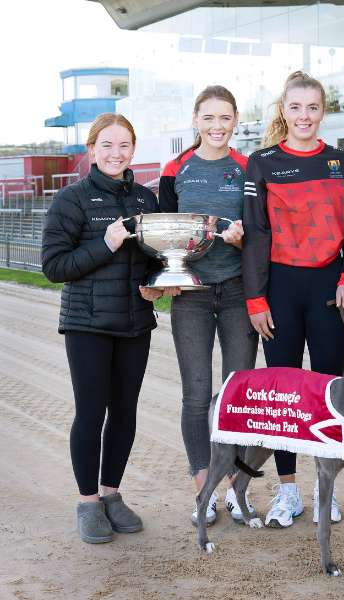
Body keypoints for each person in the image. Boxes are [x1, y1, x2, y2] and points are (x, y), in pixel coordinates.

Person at [42, 113, 178, 544]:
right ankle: (87, 503)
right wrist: (106, 244)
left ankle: (112, 494)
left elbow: (155, 260)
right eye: (106, 145)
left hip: (135, 323)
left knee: (124, 413)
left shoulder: (145, 200)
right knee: (91, 412)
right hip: (87, 325)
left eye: (123, 145)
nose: (115, 153)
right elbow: (54, 266)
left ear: (133, 150)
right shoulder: (72, 199)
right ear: (92, 149)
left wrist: (159, 284)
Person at [242, 71, 344, 528]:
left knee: (330, 393)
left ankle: (325, 491)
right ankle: (289, 491)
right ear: (283, 110)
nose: (304, 116)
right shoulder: (263, 163)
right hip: (280, 288)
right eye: (295, 107)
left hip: (331, 290)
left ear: (323, 111)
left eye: (312, 107)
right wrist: (256, 299)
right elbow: (255, 235)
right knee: (285, 396)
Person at [159, 86, 258, 526]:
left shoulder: (247, 167)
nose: (217, 126)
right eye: (208, 118)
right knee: (197, 395)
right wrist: (167, 275)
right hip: (192, 295)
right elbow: (160, 233)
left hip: (237, 291)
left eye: (225, 118)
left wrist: (244, 237)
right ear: (195, 119)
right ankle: (204, 485)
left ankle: (238, 486)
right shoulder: (174, 169)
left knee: (236, 395)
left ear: (236, 120)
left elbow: (262, 232)